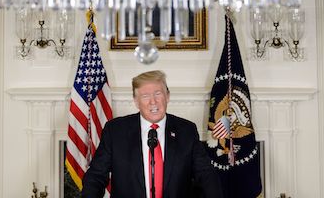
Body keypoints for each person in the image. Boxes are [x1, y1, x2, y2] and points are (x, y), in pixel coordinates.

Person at [81, 70, 222, 198]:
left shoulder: (187, 131)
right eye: (145, 96)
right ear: (136, 101)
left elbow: (206, 175)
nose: (153, 102)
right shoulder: (115, 131)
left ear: (167, 96)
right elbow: (96, 176)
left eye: (158, 94)